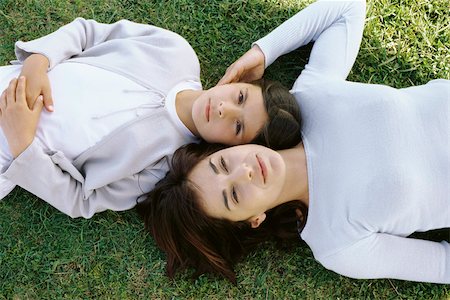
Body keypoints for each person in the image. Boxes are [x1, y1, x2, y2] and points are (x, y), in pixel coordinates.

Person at [136, 0, 450, 284]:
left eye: (223, 164)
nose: (243, 172)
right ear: (252, 220)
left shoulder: (309, 99)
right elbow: (442, 266)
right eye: (232, 195)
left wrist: (263, 52)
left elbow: (347, 9)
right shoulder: (336, 244)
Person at [0, 18, 301, 218]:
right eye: (240, 98)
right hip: (12, 81)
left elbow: (82, 200)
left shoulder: (161, 168)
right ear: (239, 83)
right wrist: (37, 64)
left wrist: (22, 146)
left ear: (230, 149)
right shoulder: (176, 52)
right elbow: (88, 33)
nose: (225, 110)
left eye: (238, 126)